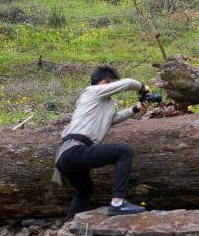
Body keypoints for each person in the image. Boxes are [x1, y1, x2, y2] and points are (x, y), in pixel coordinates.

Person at [52, 65, 151, 221]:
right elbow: (128, 83)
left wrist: (136, 109)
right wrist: (142, 87)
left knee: (85, 191)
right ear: (104, 82)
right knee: (124, 152)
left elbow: (111, 120)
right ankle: (118, 203)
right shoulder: (91, 91)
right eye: (112, 84)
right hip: (74, 150)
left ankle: (68, 225)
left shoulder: (103, 103)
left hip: (66, 155)